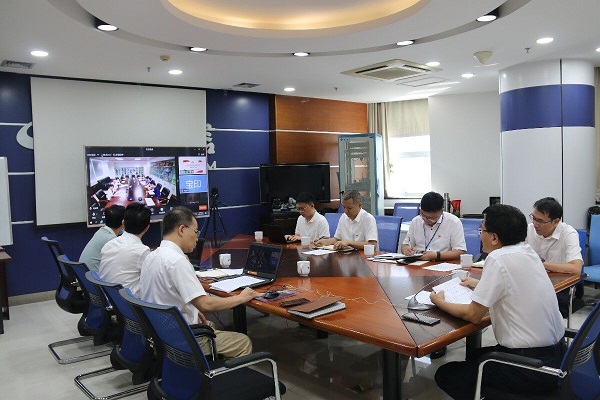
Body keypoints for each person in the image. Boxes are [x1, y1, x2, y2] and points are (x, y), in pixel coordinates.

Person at [431, 204, 565, 399]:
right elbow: (516, 286)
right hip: (558, 357)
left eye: (482, 230)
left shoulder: (497, 258)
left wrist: (439, 301)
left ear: (494, 237)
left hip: (530, 369)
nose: (480, 235)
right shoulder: (527, 251)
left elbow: (473, 315)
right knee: (476, 355)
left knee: (446, 375)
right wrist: (480, 284)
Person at [139, 206, 259, 359]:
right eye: (196, 232)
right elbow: (205, 304)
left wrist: (193, 310)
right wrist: (241, 298)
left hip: (161, 333)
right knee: (243, 342)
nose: (197, 238)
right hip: (182, 338)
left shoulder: (151, 256)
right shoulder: (177, 261)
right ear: (182, 230)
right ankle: (218, 372)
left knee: (209, 324)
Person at [526, 197, 583, 316]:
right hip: (533, 280)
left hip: (557, 285)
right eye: (534, 218)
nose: (535, 224)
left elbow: (576, 268)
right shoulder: (529, 229)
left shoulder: (568, 233)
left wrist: (541, 264)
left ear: (556, 222)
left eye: (540, 221)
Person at [98, 203, 151, 297]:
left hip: (108, 300)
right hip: (130, 303)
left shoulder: (108, 245)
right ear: (147, 228)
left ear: (123, 223)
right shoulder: (142, 251)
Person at [401, 191, 466, 261]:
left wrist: (437, 255)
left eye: (430, 218)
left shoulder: (453, 222)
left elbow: (460, 252)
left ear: (441, 211)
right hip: (418, 263)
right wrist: (406, 250)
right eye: (423, 215)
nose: (426, 220)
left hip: (442, 263)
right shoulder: (416, 221)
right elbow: (405, 245)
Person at [79, 205, 125, 272]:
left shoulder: (101, 231)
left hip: (84, 275)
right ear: (123, 222)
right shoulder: (112, 240)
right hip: (94, 277)